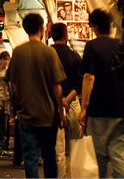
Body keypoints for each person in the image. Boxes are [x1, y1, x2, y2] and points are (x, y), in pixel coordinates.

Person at [6, 13, 65, 179]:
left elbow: (13, 86)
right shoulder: (49, 52)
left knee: (30, 159)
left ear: (25, 29)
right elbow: (56, 87)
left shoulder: (18, 53)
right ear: (41, 28)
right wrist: (61, 111)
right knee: (49, 157)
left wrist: (15, 110)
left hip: (25, 115)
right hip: (47, 116)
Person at [78, 9, 124, 178]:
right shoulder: (121, 45)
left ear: (94, 27)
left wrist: (84, 108)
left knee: (99, 157)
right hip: (121, 109)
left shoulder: (92, 46)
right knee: (120, 156)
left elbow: (89, 78)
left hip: (99, 109)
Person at [49, 22, 82, 178]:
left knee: (59, 149)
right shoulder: (74, 56)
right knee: (75, 147)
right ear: (65, 35)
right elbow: (80, 82)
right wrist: (68, 99)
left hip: (53, 106)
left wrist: (60, 102)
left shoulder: (47, 55)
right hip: (73, 104)